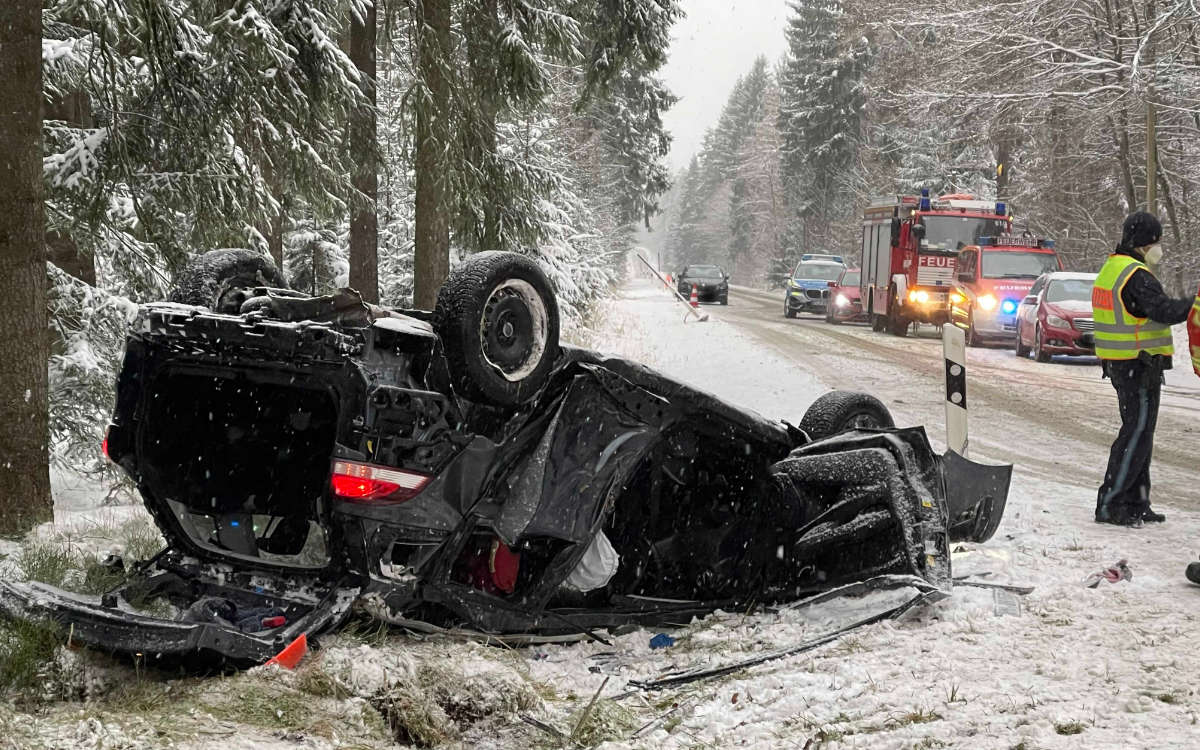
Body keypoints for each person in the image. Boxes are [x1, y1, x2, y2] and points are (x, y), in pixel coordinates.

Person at [1092, 212, 1193, 527]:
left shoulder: (1113, 267)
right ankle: (1111, 503)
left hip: (1122, 363)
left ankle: (1137, 502)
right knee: (1136, 434)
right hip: (1139, 363)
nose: (1158, 247)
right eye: (1156, 242)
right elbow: (1162, 310)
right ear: (1143, 243)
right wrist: (1196, 303)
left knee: (1140, 434)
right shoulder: (1137, 275)